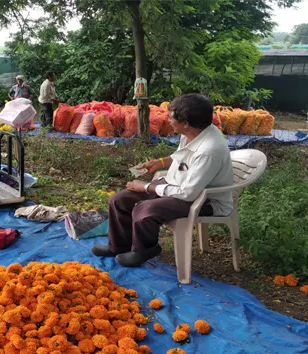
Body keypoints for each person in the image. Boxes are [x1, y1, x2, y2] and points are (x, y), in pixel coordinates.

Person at [92, 94, 234, 267]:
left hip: (205, 198)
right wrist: (160, 163)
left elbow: (188, 193)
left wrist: (147, 187)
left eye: (171, 117)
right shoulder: (193, 132)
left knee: (144, 208)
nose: (168, 120)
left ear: (186, 123)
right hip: (179, 186)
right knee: (119, 200)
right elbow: (183, 156)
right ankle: (118, 246)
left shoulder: (209, 150)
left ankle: (145, 249)